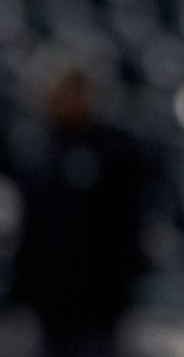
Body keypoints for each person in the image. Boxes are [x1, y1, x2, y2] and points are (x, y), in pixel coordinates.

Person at [10, 68, 147, 357]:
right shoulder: (37, 149)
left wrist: (119, 291)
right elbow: (31, 227)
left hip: (98, 302)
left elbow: (127, 227)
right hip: (49, 302)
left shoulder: (115, 150)